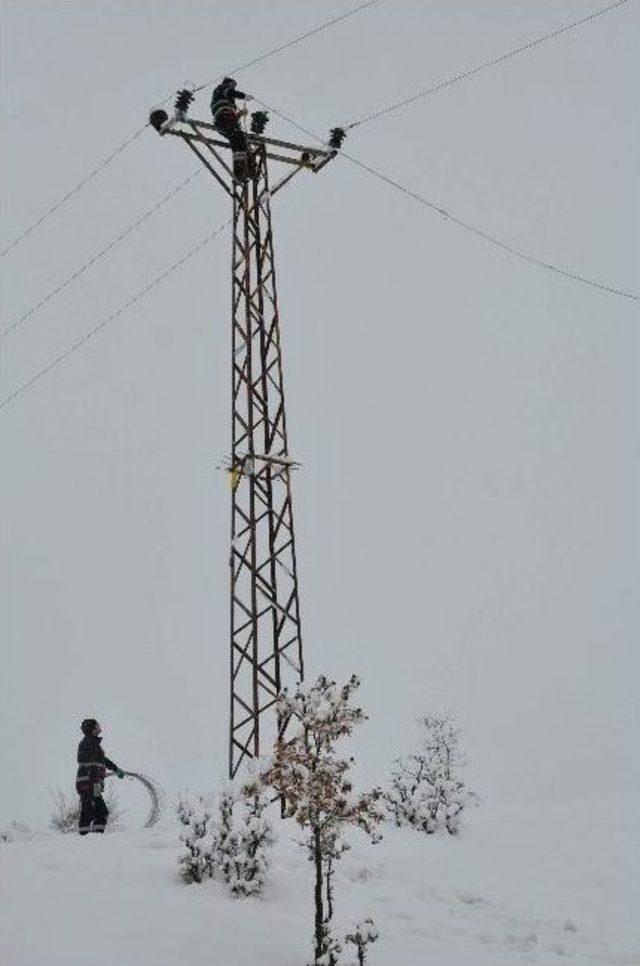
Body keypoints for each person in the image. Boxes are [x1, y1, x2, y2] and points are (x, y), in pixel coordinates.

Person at [76, 718, 124, 835]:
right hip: (89, 783)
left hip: (93, 783)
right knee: (92, 810)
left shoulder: (94, 744)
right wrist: (96, 778)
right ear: (93, 730)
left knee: (99, 811)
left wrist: (115, 769)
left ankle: (94, 837)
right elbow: (91, 765)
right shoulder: (88, 743)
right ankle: (85, 838)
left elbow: (102, 761)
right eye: (97, 725)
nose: (99, 726)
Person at [210, 76, 254, 181]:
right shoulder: (221, 88)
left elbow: (231, 114)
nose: (234, 88)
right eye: (233, 85)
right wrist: (243, 96)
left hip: (225, 122)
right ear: (228, 83)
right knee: (238, 139)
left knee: (239, 141)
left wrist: (240, 114)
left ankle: (246, 171)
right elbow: (229, 92)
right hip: (224, 119)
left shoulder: (226, 98)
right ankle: (241, 171)